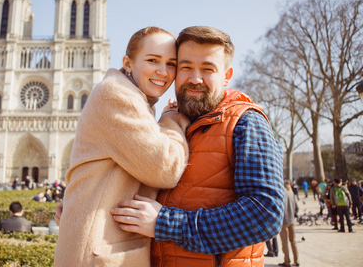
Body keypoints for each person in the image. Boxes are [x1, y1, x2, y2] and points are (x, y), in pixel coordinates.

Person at [111, 26, 285, 266]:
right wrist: (85, 201)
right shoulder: (173, 121)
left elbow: (265, 213)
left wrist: (166, 224)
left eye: (207, 69)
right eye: (185, 67)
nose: (195, 78)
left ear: (226, 75)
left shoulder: (246, 123)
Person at [54, 27, 190, 267]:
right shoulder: (117, 95)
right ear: (128, 62)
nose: (163, 71)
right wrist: (172, 119)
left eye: (171, 64)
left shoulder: (133, 96)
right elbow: (166, 168)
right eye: (152, 60)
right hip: (97, 252)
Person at [277, 180, 300, 267]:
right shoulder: (291, 193)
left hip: (283, 221)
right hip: (291, 220)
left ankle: (287, 261)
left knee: (285, 241)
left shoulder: (279, 194)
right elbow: (297, 207)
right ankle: (296, 260)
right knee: (293, 241)